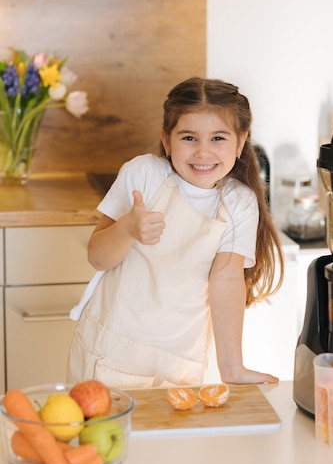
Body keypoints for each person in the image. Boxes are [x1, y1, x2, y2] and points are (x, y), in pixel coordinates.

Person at [67, 77, 284, 388]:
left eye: (218, 138)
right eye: (189, 138)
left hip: (180, 362)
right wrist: (128, 227)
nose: (203, 152)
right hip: (110, 352)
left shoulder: (239, 202)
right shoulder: (143, 174)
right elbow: (98, 257)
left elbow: (226, 280)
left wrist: (232, 368)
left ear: (241, 142)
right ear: (167, 140)